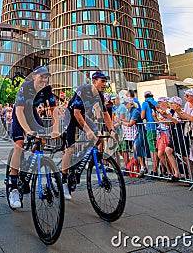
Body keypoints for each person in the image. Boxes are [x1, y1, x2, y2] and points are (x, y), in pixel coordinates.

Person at [8, 66, 58, 208]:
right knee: (19, 144)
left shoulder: (47, 89)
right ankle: (13, 188)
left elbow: (53, 110)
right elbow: (19, 111)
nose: (44, 80)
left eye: (46, 77)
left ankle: (29, 162)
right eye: (41, 76)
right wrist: (27, 130)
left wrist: (55, 129)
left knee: (41, 139)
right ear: (34, 76)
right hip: (20, 114)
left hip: (33, 114)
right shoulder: (25, 86)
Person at [62, 71, 115, 199]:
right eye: (102, 81)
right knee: (70, 149)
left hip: (83, 116)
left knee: (98, 138)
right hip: (71, 116)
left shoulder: (100, 96)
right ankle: (63, 180)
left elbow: (105, 114)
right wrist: (88, 130)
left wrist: (112, 131)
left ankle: (84, 156)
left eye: (105, 81)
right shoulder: (83, 90)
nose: (105, 84)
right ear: (94, 81)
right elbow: (76, 113)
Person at [141, 91, 159, 175]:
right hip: (159, 127)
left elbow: (142, 116)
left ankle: (155, 169)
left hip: (150, 127)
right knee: (159, 148)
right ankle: (162, 170)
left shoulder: (144, 103)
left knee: (153, 149)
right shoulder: (156, 102)